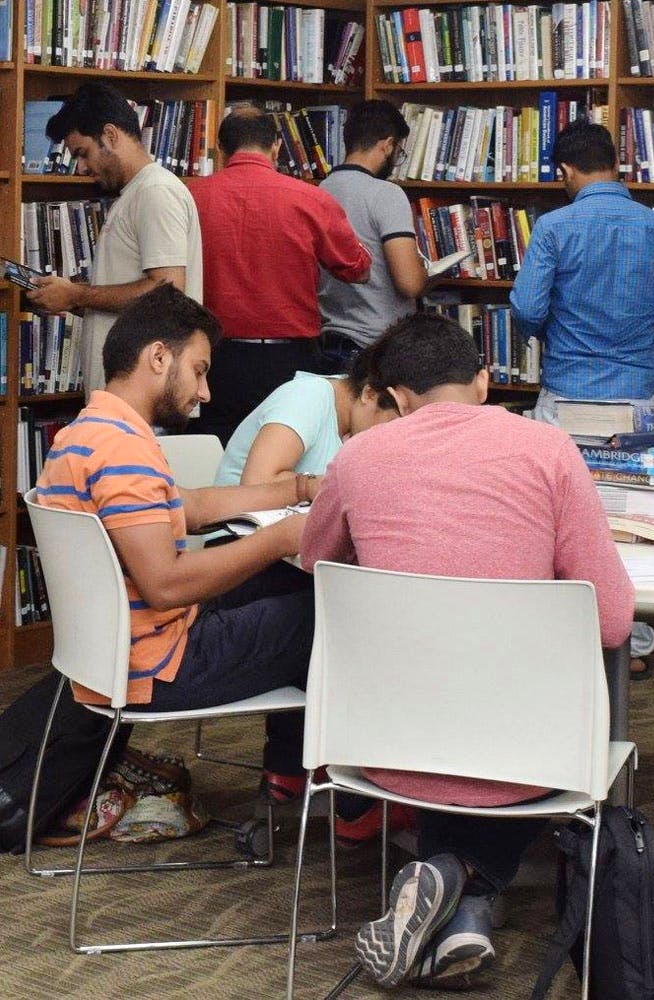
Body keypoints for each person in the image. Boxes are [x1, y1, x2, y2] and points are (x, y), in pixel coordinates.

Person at [300, 313, 634, 990]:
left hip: (386, 748)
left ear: (394, 396)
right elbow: (612, 621)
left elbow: (314, 562)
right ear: (483, 381)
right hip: (528, 759)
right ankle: (459, 882)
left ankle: (464, 914)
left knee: (450, 713)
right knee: (510, 726)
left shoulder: (356, 458)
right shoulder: (549, 450)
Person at [36, 284, 323, 793]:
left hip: (125, 648)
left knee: (288, 588)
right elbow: (166, 585)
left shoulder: (93, 431)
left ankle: (293, 773)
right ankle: (342, 792)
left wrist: (294, 489)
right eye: (199, 370)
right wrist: (282, 536)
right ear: (158, 357)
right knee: (330, 616)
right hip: (160, 666)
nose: (205, 393)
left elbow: (186, 506)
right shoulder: (120, 451)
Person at [188, 104, 372, 444]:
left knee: (213, 451)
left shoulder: (190, 197)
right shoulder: (311, 200)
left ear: (221, 149)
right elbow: (357, 269)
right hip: (289, 359)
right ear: (276, 146)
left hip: (213, 357)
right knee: (285, 454)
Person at [509, 119, 654, 424]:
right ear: (615, 163)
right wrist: (644, 331)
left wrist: (558, 332)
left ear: (565, 171)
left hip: (565, 389)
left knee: (559, 473)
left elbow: (528, 310)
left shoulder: (551, 228)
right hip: (635, 392)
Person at [26, 83, 203, 396]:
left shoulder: (155, 192)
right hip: (130, 398)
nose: (80, 169)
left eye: (83, 154)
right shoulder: (135, 193)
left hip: (148, 398)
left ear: (110, 135)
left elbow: (167, 290)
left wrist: (76, 296)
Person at [317, 100, 430, 373]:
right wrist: (427, 273)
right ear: (388, 145)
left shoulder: (319, 190)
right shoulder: (386, 194)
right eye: (398, 151)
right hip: (376, 346)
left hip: (329, 339)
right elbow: (409, 284)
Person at [214, 348, 398, 486]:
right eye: (393, 424)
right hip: (234, 531)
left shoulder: (356, 422)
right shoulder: (308, 396)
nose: (393, 438)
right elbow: (257, 482)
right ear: (370, 394)